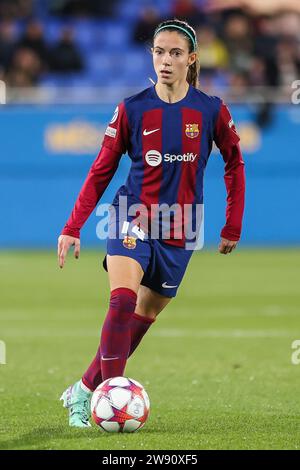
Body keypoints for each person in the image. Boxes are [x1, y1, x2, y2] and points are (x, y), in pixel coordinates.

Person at [58, 18, 245, 427]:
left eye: (175, 53)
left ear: (191, 59)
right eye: (159, 52)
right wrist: (73, 226)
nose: (165, 60)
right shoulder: (133, 108)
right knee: (122, 301)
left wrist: (232, 224)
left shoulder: (211, 110)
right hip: (132, 215)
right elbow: (101, 169)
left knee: (142, 319)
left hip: (181, 225)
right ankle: (107, 402)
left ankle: (84, 389)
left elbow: (234, 163)